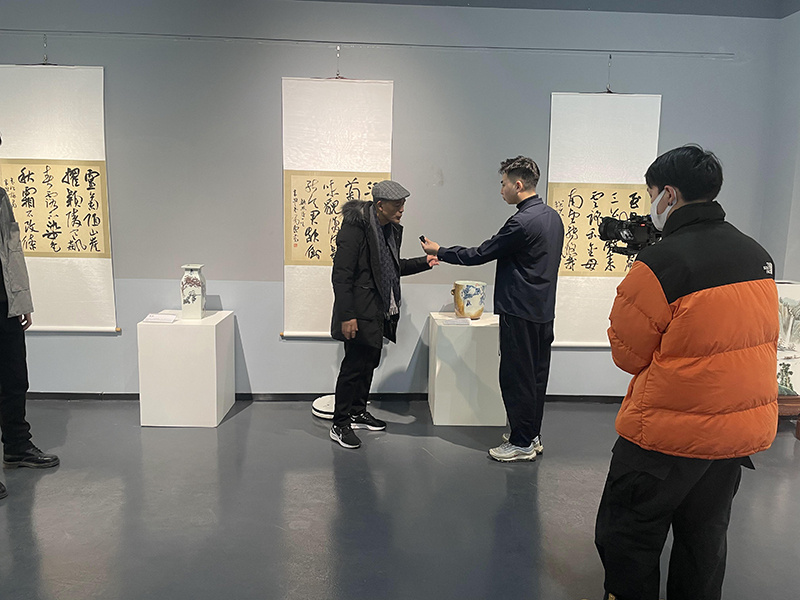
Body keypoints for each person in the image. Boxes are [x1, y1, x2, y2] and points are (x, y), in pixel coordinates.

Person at [594, 145, 779, 600]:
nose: (650, 204)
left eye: (651, 193)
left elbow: (628, 355)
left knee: (627, 536)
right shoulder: (757, 255)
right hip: (733, 437)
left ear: (669, 195)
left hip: (666, 436)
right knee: (704, 542)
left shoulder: (660, 263)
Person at [421, 156, 564, 462]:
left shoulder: (521, 222)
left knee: (516, 377)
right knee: (536, 376)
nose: (501, 190)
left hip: (519, 311)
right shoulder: (552, 217)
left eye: (503, 184)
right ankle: (531, 434)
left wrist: (440, 251)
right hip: (543, 310)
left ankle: (521, 442)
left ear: (518, 184)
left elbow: (480, 254)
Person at [328, 180, 437, 449]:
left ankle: (357, 411)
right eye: (397, 205)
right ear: (380, 205)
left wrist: (424, 263)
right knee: (353, 367)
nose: (402, 210)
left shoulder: (388, 229)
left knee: (369, 363)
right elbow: (341, 276)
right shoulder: (355, 229)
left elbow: (391, 268)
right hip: (359, 310)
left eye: (403, 204)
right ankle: (340, 423)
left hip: (378, 310)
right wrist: (347, 315)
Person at [0, 133, 60, 500]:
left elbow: (11, 249)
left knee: (14, 378)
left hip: (4, 302)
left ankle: (17, 447)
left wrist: (22, 299)